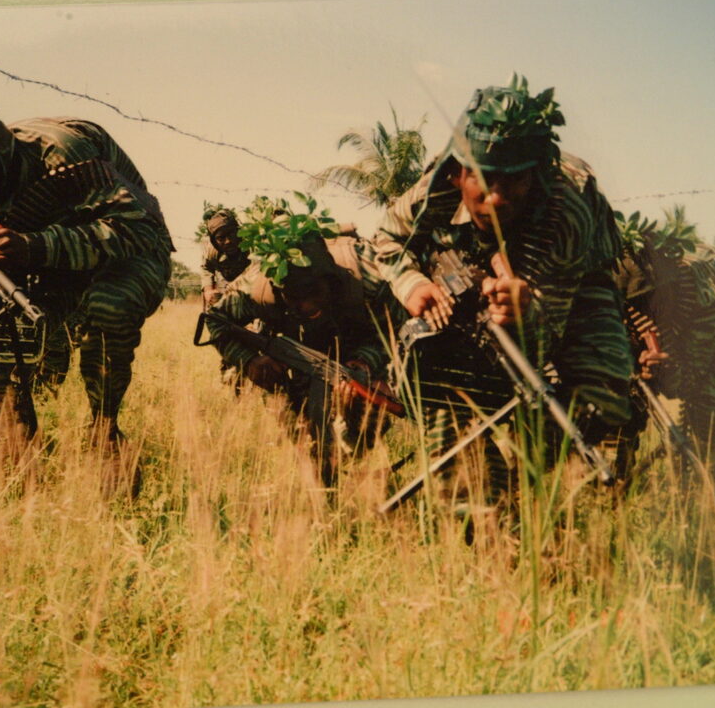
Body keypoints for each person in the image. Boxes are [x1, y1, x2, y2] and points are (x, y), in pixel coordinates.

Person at [373, 75, 633, 499]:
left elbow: (546, 336)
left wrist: (524, 311)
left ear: (534, 177)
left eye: (513, 181)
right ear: (457, 174)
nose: (496, 198)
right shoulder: (432, 191)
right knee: (443, 373)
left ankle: (538, 482)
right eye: (484, 178)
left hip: (576, 283)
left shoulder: (564, 213)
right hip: (465, 270)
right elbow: (386, 237)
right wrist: (412, 283)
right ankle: (479, 496)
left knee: (596, 402)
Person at [0, 86, 174, 442]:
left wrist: (36, 246)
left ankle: (105, 430)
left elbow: (136, 229)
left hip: (130, 251)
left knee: (109, 305)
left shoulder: (62, 155)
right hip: (49, 267)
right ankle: (10, 430)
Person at [206, 231, 395, 486]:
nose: (306, 306)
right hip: (291, 361)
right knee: (307, 441)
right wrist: (249, 361)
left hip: (354, 357)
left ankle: (346, 472)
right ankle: (321, 486)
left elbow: (397, 333)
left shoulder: (369, 279)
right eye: (294, 297)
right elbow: (215, 320)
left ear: (330, 281)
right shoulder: (256, 288)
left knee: (361, 433)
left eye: (313, 293)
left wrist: (366, 362)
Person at [614, 234, 715, 510]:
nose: (644, 309)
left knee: (711, 404)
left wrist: (660, 368)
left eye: (648, 301)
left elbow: (685, 384)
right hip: (693, 306)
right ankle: (616, 485)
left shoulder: (703, 299)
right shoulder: (620, 290)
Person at [199, 207, 251, 308]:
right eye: (221, 238)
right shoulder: (213, 251)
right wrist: (208, 290)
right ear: (215, 242)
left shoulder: (250, 247)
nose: (228, 241)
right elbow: (206, 268)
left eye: (231, 234)